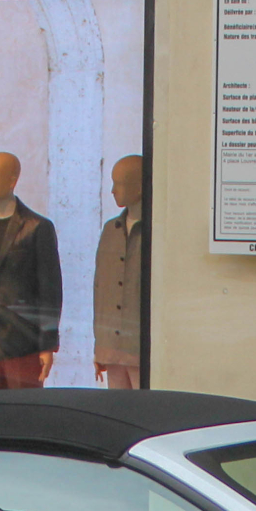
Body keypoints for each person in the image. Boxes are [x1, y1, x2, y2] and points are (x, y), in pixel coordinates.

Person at [0, 153, 63, 391]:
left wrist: (47, 344)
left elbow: (50, 289)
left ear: (12, 180)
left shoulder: (37, 227)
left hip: (23, 342)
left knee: (26, 413)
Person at [93, 154, 146, 389]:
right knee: (118, 409)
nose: (113, 190)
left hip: (141, 349)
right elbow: (101, 289)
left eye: (120, 183)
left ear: (140, 186)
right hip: (112, 347)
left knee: (145, 409)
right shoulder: (110, 230)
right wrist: (100, 346)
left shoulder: (156, 230)